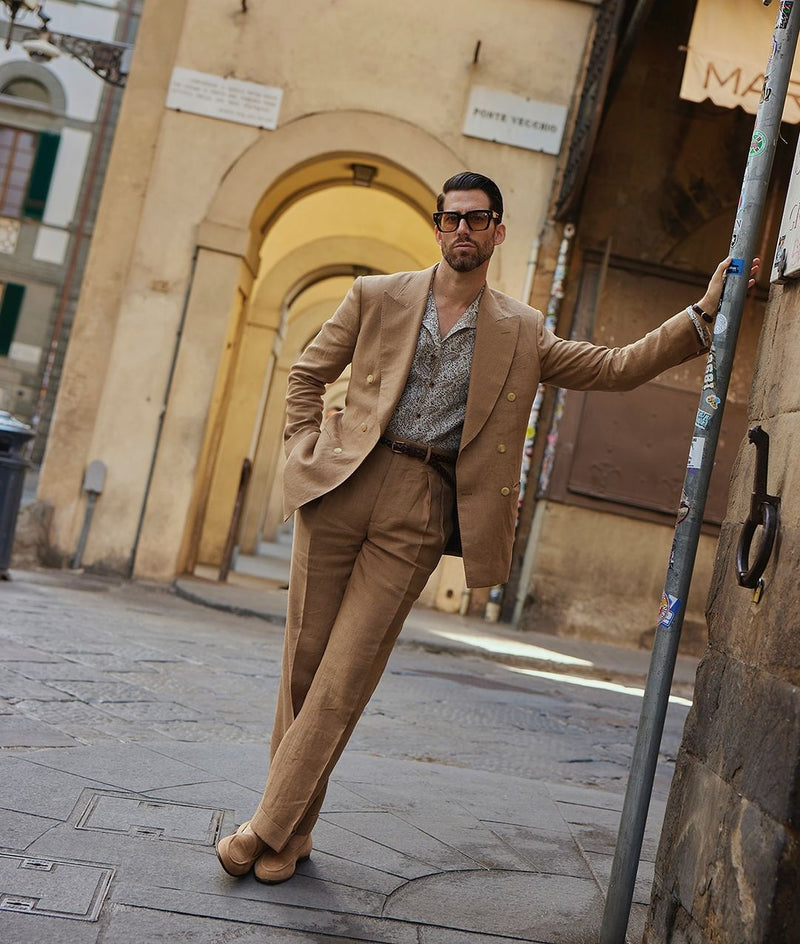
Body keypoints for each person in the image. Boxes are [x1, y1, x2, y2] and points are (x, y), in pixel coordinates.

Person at [216, 171, 752, 884]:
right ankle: (292, 833)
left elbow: (614, 368)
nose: (463, 230)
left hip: (421, 505)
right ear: (436, 228)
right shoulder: (375, 296)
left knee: (344, 678)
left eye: (478, 220)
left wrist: (698, 319)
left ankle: (261, 828)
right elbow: (307, 375)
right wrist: (302, 452)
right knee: (302, 671)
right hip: (341, 485)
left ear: (498, 232)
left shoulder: (521, 330)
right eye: (452, 219)